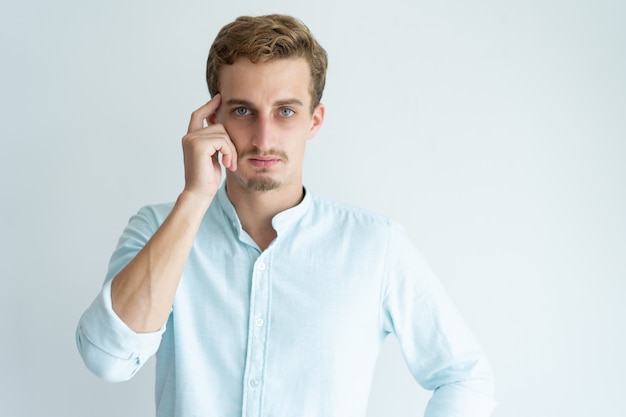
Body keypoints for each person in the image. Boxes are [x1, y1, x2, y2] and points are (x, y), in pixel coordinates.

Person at [76, 14, 496, 417]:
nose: (263, 138)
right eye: (243, 111)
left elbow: (464, 376)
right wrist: (195, 196)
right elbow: (107, 359)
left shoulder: (376, 245)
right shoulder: (157, 229)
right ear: (213, 118)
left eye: (286, 111)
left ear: (315, 121)